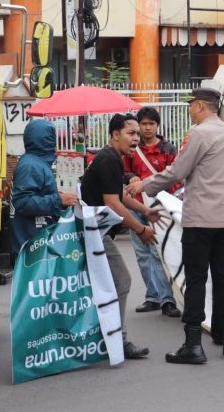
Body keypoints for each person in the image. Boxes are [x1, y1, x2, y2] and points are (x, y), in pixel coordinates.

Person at [126, 87, 224, 364]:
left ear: (201, 106)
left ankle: (193, 344)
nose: (190, 110)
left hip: (200, 217)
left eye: (191, 105)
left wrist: (145, 185)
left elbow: (177, 170)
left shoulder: (198, 133)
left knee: (197, 279)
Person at [80, 113, 160, 360]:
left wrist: (145, 210)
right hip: (96, 233)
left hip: (96, 231)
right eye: (131, 133)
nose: (137, 138)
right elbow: (113, 204)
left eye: (138, 134)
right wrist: (140, 229)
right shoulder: (109, 160)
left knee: (107, 285)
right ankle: (117, 341)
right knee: (122, 281)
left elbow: (119, 195)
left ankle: (106, 338)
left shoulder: (111, 157)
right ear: (115, 135)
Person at [122, 107, 182, 318]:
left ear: (157, 125)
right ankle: (152, 297)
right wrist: (130, 177)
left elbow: (176, 177)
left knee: (159, 254)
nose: (147, 128)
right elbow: (124, 170)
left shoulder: (168, 148)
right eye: (143, 124)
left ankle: (167, 300)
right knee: (142, 254)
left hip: (160, 209)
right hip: (135, 206)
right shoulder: (132, 147)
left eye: (151, 124)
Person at [10, 119, 78, 256]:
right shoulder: (31, 165)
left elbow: (35, 193)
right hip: (31, 243)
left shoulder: (35, 162)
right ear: (47, 140)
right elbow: (22, 202)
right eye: (53, 137)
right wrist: (58, 200)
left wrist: (56, 196)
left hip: (35, 239)